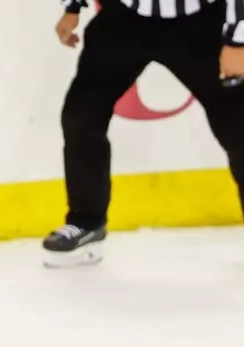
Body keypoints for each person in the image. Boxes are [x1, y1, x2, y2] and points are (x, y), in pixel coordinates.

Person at [45, 0, 244, 265]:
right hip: (128, 16)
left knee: (238, 126)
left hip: (202, 22)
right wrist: (72, 7)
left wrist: (237, 40)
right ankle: (86, 223)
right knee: (81, 115)